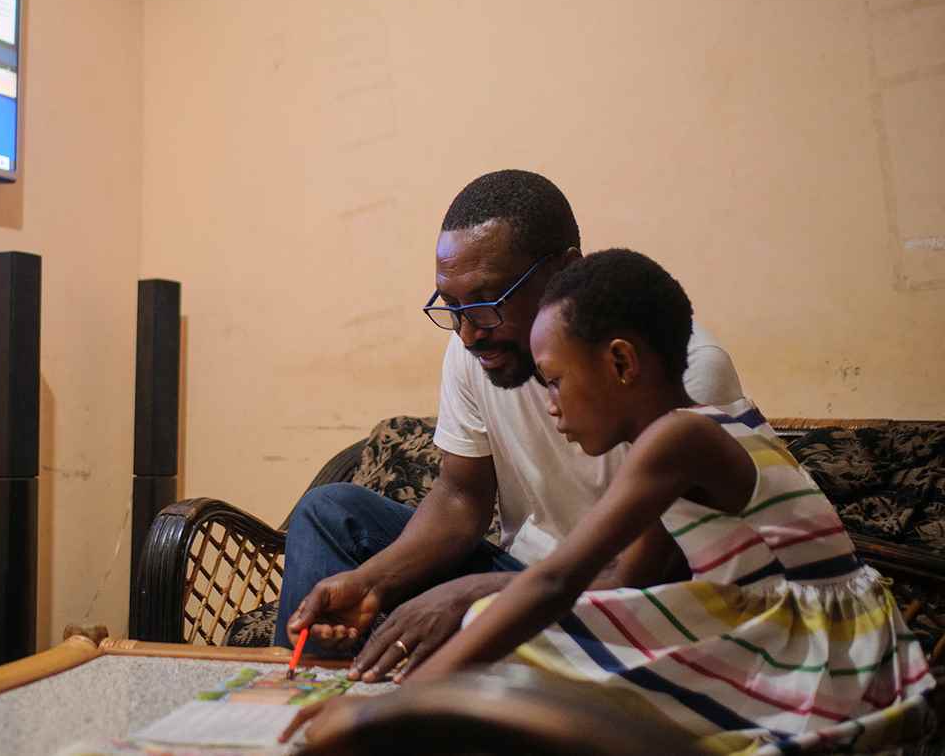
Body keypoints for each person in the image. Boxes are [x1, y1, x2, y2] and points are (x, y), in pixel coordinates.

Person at [285, 250, 935, 754]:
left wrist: (393, 705)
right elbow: (625, 577)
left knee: (509, 637)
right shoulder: (692, 434)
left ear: (622, 362)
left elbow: (558, 579)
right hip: (764, 632)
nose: (550, 403)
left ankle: (389, 724)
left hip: (813, 662)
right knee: (517, 638)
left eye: (558, 380)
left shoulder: (678, 437)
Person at [278, 170, 746, 684]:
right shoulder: (471, 348)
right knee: (330, 510)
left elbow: (640, 573)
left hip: (635, 602)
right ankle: (305, 698)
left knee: (478, 620)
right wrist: (371, 585)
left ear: (566, 271)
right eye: (451, 307)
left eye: (487, 300)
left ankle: (391, 712)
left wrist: (468, 595)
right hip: (525, 576)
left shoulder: (676, 370)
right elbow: (461, 498)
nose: (469, 331)